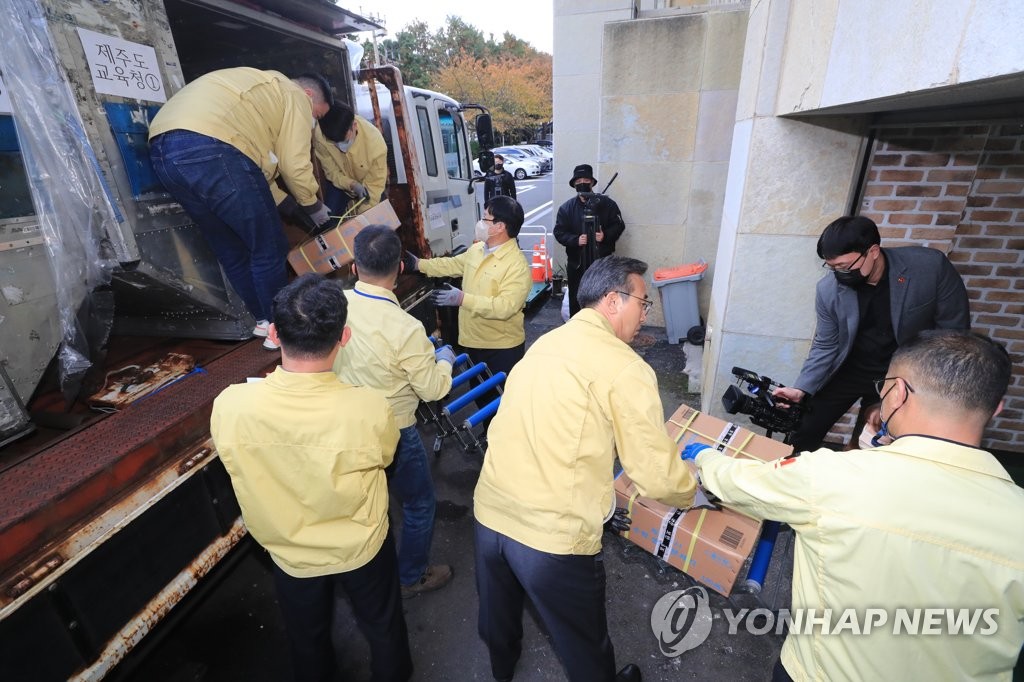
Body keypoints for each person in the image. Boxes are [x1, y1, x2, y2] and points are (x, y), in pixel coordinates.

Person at [685, 330, 1024, 681]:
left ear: (898, 393)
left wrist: (707, 457)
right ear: (996, 407)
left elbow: (739, 484)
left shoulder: (828, 477)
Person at [473, 256, 698, 682]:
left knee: (498, 622)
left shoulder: (547, 343)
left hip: (490, 513)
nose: (645, 315)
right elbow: (654, 472)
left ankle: (502, 672)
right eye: (643, 303)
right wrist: (697, 490)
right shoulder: (625, 367)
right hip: (551, 536)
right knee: (583, 642)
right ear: (613, 301)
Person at [210, 274, 412, 682]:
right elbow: (387, 455)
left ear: (272, 333)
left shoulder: (231, 405)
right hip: (361, 546)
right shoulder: (368, 408)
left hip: (290, 552)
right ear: (345, 337)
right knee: (384, 627)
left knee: (307, 639)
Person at [149, 68, 335, 349]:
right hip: (212, 144)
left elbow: (257, 182)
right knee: (270, 246)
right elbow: (294, 164)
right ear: (309, 95)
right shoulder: (294, 95)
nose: (313, 123)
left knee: (231, 246)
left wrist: (293, 208)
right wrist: (313, 206)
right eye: (316, 116)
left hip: (163, 149)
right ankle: (283, 329)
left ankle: (264, 320)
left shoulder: (257, 101)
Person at [773, 215, 970, 451]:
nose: (839, 274)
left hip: (901, 372)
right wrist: (801, 388)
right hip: (851, 367)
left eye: (845, 267)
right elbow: (826, 344)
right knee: (804, 430)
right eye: (832, 267)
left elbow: (953, 333)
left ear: (873, 251)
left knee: (869, 443)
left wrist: (921, 386)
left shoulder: (930, 268)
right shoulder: (827, 290)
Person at [333, 225, 455, 598]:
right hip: (396, 432)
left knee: (367, 502)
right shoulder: (405, 328)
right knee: (419, 504)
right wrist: (445, 360)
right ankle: (411, 576)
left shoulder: (336, 305)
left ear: (354, 267)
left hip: (348, 422)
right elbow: (433, 389)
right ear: (401, 268)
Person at [407, 195, 532, 382]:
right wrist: (420, 265)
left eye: (485, 218)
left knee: (499, 403)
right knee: (480, 399)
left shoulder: (517, 266)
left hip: (500, 348)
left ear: (500, 227)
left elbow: (505, 307)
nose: (479, 223)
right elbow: (452, 265)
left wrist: (462, 299)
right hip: (473, 342)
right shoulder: (478, 249)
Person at [554, 164, 625, 317]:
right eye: (578, 180)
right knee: (577, 298)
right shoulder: (566, 208)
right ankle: (577, 330)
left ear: (592, 182)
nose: (583, 183)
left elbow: (619, 225)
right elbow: (559, 232)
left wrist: (605, 235)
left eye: (586, 179)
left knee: (603, 299)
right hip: (577, 264)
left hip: (602, 263)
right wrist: (575, 240)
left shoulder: (607, 204)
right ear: (574, 184)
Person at [315, 102, 388, 216]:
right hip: (339, 182)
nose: (340, 147)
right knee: (328, 219)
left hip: (368, 186)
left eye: (344, 141)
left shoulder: (376, 145)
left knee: (372, 220)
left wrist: (362, 219)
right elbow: (332, 172)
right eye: (334, 143)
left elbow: (375, 186)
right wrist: (352, 184)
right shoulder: (320, 135)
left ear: (354, 125)